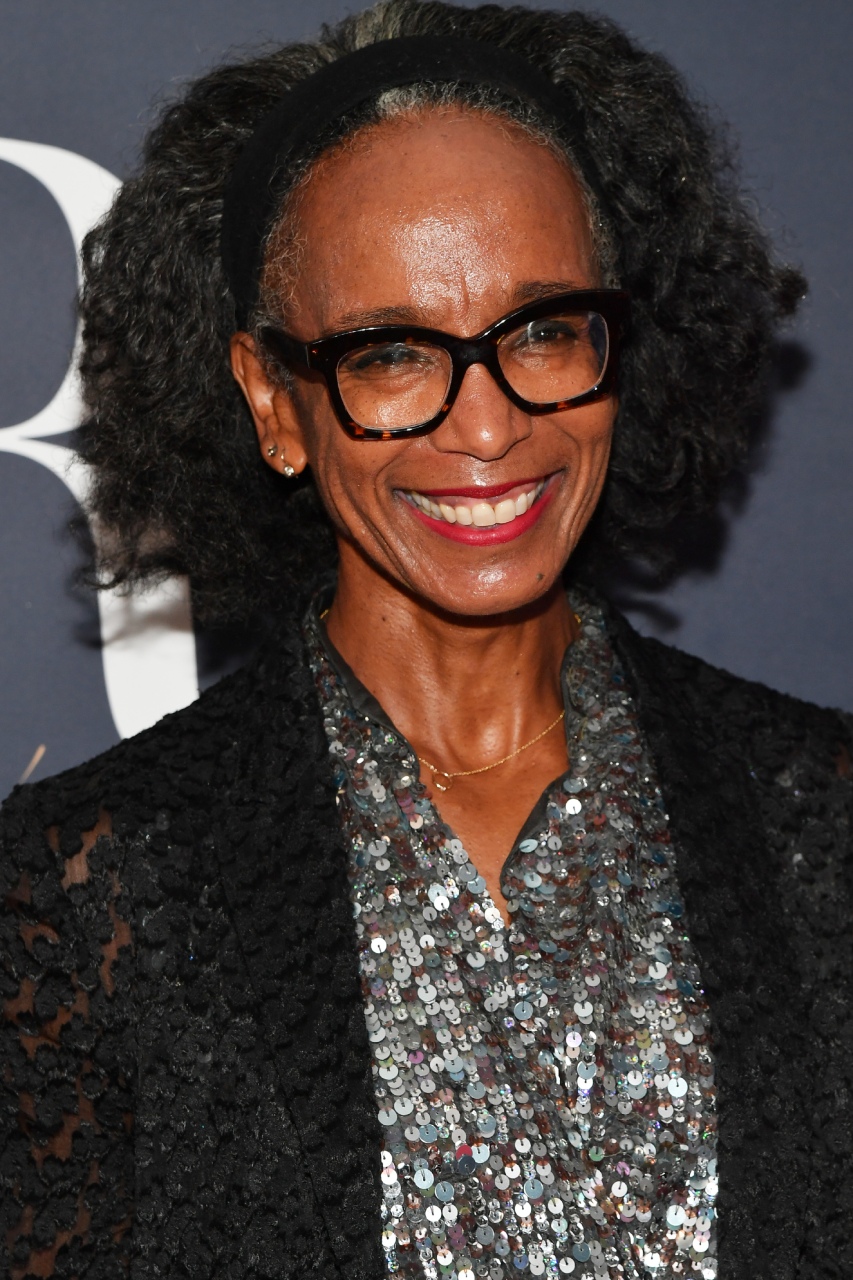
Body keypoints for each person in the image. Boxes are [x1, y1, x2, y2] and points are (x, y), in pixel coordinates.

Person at [2, 2, 850, 1277]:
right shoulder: (79, 897)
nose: (489, 426)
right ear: (273, 401)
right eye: (391, 352)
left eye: (543, 329)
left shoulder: (820, 825)